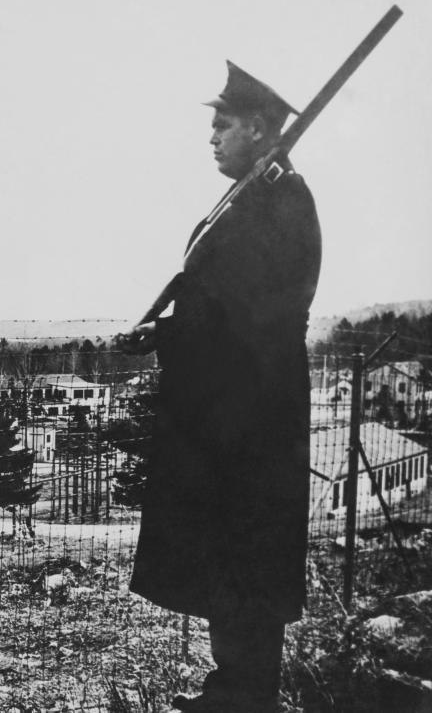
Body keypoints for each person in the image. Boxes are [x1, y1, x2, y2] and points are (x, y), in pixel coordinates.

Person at [124, 62, 322, 713]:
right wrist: (164, 335)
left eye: (223, 125)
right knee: (225, 557)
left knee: (248, 558)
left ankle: (248, 694)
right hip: (226, 418)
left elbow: (253, 318)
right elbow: (213, 302)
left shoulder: (282, 203)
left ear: (259, 127)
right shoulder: (241, 201)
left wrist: (175, 338)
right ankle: (231, 687)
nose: (212, 138)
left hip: (255, 420)